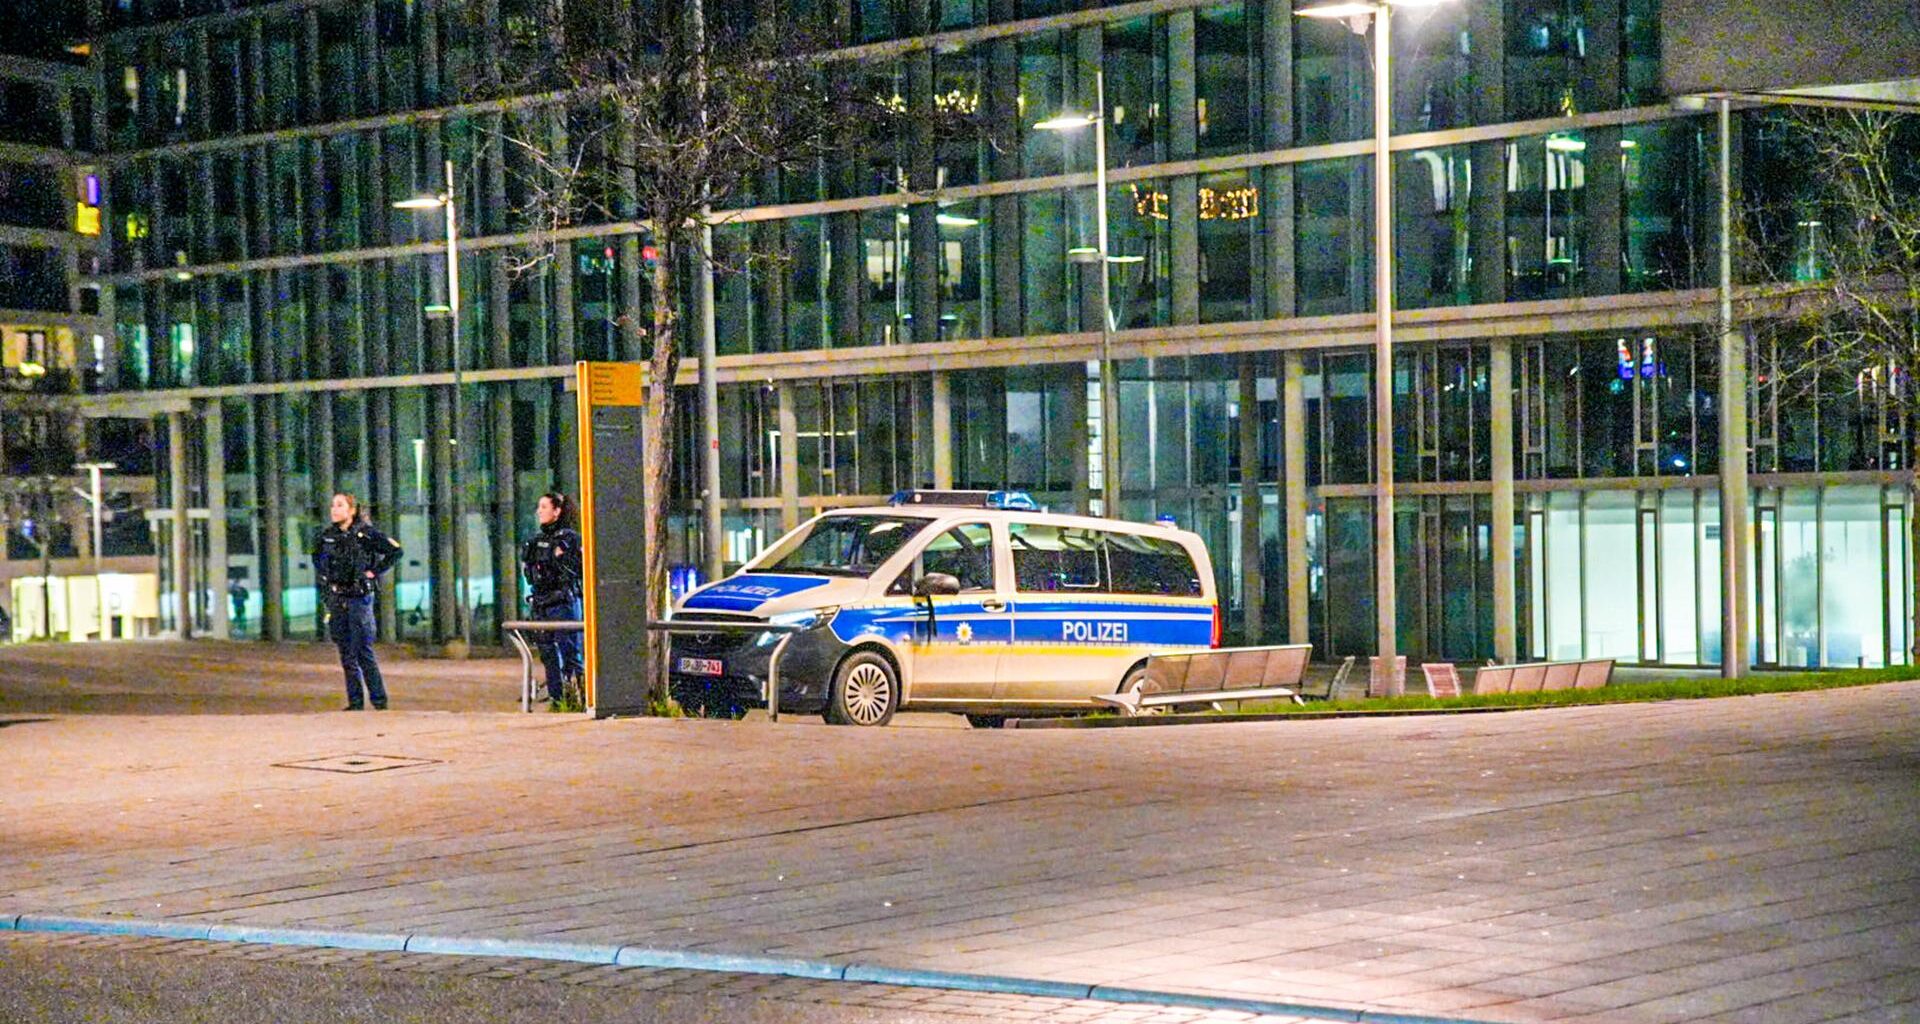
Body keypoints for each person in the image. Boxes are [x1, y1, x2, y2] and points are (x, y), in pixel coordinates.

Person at [314, 492, 403, 710]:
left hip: (359, 597)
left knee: (363, 650)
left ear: (352, 510)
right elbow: (318, 561)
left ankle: (379, 701)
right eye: (333, 505)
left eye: (340, 505)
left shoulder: (365, 534)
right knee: (345, 652)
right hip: (338, 598)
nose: (334, 509)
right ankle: (355, 702)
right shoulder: (326, 537)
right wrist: (327, 589)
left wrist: (374, 571)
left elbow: (395, 551)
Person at [521, 492, 584, 706]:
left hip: (563, 602)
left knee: (570, 653)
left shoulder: (570, 539)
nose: (539, 511)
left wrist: (562, 558)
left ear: (557, 511)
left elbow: (577, 569)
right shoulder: (535, 541)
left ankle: (579, 699)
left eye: (544, 507)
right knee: (547, 653)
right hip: (541, 603)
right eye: (539, 506)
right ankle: (558, 700)